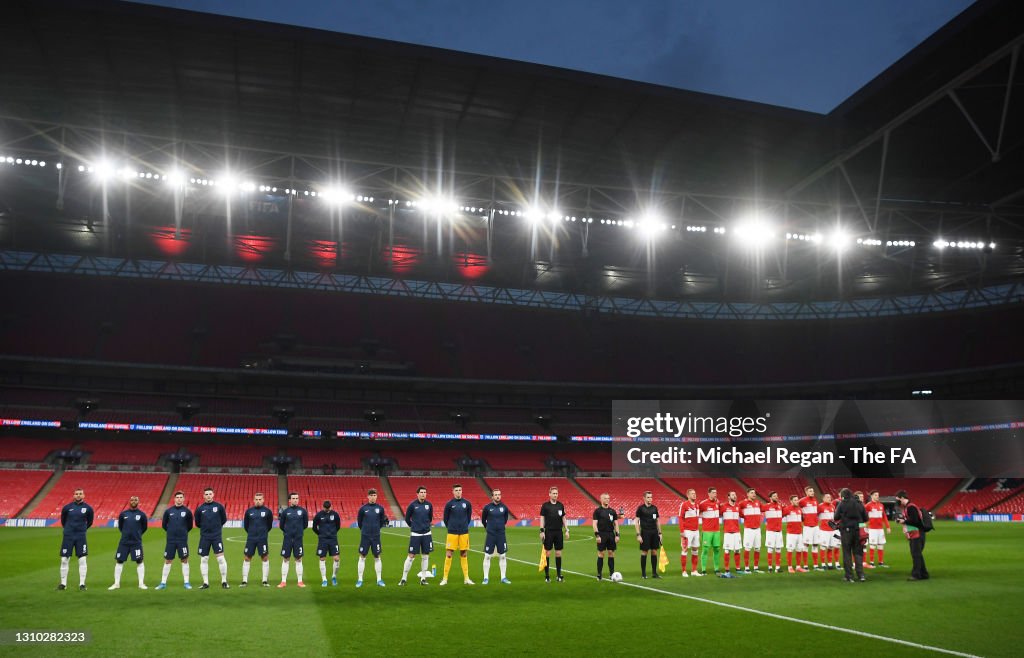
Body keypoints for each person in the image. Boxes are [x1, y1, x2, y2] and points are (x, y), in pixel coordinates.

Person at [58, 487, 94, 591]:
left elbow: (90, 522)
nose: (78, 495)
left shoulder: (88, 508)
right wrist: (69, 530)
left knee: (82, 559)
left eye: (80, 493)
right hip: (68, 536)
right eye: (76, 493)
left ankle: (82, 584)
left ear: (84, 495)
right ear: (74, 495)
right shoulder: (67, 508)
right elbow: (63, 521)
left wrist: (81, 530)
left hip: (80, 537)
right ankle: (63, 584)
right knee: (64, 559)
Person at [194, 487, 229, 589]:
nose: (208, 496)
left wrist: (215, 529)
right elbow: (198, 523)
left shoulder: (219, 507)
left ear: (213, 494)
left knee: (221, 559)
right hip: (204, 537)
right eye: (206, 494)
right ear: (203, 496)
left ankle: (224, 581)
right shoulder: (200, 509)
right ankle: (205, 582)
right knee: (204, 559)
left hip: (216, 537)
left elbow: (223, 519)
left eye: (210, 494)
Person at [110, 495, 147, 590]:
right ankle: (116, 583)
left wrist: (137, 534)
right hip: (124, 542)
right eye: (132, 500)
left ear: (138, 502)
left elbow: (144, 527)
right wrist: (126, 534)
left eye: (135, 500)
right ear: (129, 501)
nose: (133, 501)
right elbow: (121, 527)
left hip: (136, 542)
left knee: (139, 561)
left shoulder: (142, 515)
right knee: (119, 561)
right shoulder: (123, 514)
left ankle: (141, 583)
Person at [159, 491, 193, 590]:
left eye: (181, 497)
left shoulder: (187, 511)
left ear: (183, 499)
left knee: (184, 560)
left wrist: (182, 532)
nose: (179, 499)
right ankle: (163, 583)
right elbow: (164, 525)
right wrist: (171, 532)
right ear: (174, 499)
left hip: (182, 540)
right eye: (177, 497)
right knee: (168, 560)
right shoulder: (168, 511)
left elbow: (189, 526)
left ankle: (186, 582)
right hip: (171, 540)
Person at [400, 486, 433, 586]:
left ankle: (423, 578)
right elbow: (407, 518)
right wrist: (413, 526)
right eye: (421, 492)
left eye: (424, 492)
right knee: (411, 556)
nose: (423, 494)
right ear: (417, 494)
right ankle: (404, 578)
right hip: (415, 534)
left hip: (427, 534)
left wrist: (425, 526)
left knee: (425, 556)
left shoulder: (429, 505)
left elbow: (430, 518)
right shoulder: (412, 505)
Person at [441, 484, 474, 585]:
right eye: (456, 490)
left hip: (464, 532)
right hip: (452, 532)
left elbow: (468, 517)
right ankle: (445, 578)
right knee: (449, 554)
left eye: (460, 490)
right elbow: (445, 518)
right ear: (453, 492)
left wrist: (463, 526)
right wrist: (451, 526)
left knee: (464, 554)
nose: (458, 492)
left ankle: (466, 578)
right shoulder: (449, 504)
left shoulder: (467, 503)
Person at [833, 488, 868, 582]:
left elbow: (835, 517)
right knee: (858, 553)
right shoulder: (859, 503)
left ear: (843, 496)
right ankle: (861, 575)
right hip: (858, 531)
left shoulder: (842, 503)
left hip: (846, 531)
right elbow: (866, 518)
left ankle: (849, 576)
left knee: (847, 553)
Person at [356, 488, 389, 587]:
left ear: (376, 496)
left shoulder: (380, 508)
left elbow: (382, 521)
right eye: (371, 495)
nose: (373, 497)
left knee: (377, 557)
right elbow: (359, 522)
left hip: (376, 537)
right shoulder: (363, 509)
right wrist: (365, 530)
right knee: (362, 556)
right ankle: (360, 579)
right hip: (365, 536)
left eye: (374, 495)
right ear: (368, 496)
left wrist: (376, 529)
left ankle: (379, 579)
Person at [895, 490, 929, 581]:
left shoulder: (910, 507)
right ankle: (924, 573)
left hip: (917, 534)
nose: (897, 501)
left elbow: (915, 521)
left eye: (897, 499)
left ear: (902, 498)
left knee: (916, 554)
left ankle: (916, 575)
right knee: (918, 554)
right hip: (916, 533)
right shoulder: (909, 507)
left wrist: (904, 521)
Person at [241, 492, 273, 587]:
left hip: (262, 539)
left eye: (260, 499)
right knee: (247, 558)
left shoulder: (268, 511)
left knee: (265, 558)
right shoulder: (249, 511)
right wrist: (252, 532)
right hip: (251, 538)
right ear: (254, 500)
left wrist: (262, 533)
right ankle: (244, 580)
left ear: (263, 500)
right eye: (256, 499)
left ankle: (264, 580)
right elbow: (246, 525)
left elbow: (269, 525)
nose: (258, 501)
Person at [278, 492, 309, 588]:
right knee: (286, 559)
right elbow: (281, 525)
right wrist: (288, 532)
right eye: (293, 498)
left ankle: (300, 581)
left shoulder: (303, 511)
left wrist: (298, 532)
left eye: (297, 498)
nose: (296, 500)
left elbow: (305, 525)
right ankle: (283, 581)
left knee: (299, 559)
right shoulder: (285, 512)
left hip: (298, 539)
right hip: (287, 538)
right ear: (290, 500)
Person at [481, 489, 511, 584]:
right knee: (487, 556)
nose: (498, 496)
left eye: (499, 494)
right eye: (496, 495)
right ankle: (486, 578)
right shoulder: (487, 508)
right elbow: (483, 520)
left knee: (502, 556)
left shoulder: (504, 508)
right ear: (492, 497)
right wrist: (489, 528)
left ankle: (503, 577)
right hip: (491, 535)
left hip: (501, 535)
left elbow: (505, 520)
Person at [540, 486, 569, 582]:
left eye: (556, 493)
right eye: (553, 493)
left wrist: (567, 530)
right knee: (547, 553)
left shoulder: (561, 505)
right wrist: (541, 531)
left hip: (558, 532)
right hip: (548, 531)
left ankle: (558, 575)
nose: (555, 495)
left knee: (558, 553)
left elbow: (563, 518)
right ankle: (547, 576)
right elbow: (542, 518)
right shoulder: (545, 506)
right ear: (549, 494)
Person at [312, 500, 341, 587]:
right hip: (323, 540)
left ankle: (334, 577)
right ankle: (324, 579)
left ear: (331, 506)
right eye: (326, 509)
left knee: (336, 558)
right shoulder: (319, 515)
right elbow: (314, 527)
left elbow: (338, 526)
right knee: (322, 558)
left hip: (333, 539)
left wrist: (332, 534)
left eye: (329, 508)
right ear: (323, 507)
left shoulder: (335, 514)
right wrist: (320, 534)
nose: (328, 510)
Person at [634, 491, 662, 579]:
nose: (650, 499)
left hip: (654, 532)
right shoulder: (640, 508)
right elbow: (636, 521)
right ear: (644, 498)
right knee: (644, 552)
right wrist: (638, 534)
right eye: (648, 497)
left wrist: (660, 533)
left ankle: (654, 573)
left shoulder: (654, 508)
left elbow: (657, 521)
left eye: (651, 497)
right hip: (645, 532)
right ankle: (643, 574)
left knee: (654, 551)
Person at [593, 493, 620, 581]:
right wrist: (597, 535)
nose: (607, 500)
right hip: (601, 534)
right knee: (601, 554)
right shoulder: (597, 511)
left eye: (608, 498)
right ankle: (599, 574)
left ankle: (611, 574)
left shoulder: (612, 511)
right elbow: (594, 524)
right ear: (601, 499)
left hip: (611, 534)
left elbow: (616, 524)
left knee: (611, 553)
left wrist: (617, 535)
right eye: (605, 498)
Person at [697, 487, 722, 576]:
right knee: (705, 550)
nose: (715, 494)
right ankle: (703, 569)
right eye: (713, 493)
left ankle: (716, 569)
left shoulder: (718, 502)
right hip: (707, 531)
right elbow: (696, 514)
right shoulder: (703, 504)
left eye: (716, 492)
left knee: (717, 549)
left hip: (716, 531)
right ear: (709, 494)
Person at [739, 488, 763, 573]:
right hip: (748, 529)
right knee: (747, 548)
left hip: (757, 529)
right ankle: (746, 568)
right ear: (747, 494)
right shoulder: (743, 503)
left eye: (754, 493)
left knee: (757, 548)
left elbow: (763, 509)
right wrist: (743, 516)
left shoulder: (758, 502)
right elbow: (737, 509)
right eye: (752, 493)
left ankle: (756, 567)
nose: (754, 494)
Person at [865, 490, 891, 568]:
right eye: (876, 495)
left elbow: (884, 517)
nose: (877, 496)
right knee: (872, 545)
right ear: (871, 496)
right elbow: (863, 515)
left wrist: (888, 527)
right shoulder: (868, 505)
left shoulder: (881, 505)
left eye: (878, 495)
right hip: (872, 529)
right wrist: (864, 525)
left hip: (880, 529)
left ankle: (881, 562)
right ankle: (872, 562)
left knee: (881, 545)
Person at [678, 488, 700, 577]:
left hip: (696, 531)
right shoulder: (684, 505)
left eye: (695, 493)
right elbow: (680, 517)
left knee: (695, 550)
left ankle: (694, 570)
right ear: (688, 495)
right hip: (687, 531)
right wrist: (682, 531)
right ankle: (684, 571)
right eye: (692, 494)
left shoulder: (697, 505)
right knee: (685, 550)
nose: (694, 495)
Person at [782, 494, 807, 573]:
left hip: (799, 533)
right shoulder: (787, 509)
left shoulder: (799, 509)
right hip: (791, 533)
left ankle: (798, 567)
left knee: (799, 550)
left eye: (797, 500)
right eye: (795, 500)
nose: (797, 501)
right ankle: (790, 567)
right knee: (790, 550)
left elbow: (802, 519)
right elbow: (780, 516)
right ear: (791, 501)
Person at [798, 486, 820, 570]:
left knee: (815, 545)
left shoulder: (815, 500)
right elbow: (795, 507)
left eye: (813, 491)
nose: (812, 492)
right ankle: (806, 565)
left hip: (816, 526)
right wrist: (801, 517)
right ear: (806, 492)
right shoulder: (802, 501)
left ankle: (815, 566)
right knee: (806, 545)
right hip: (807, 527)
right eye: (810, 491)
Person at [720, 491, 742, 576]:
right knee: (727, 551)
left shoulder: (737, 506)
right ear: (728, 497)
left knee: (737, 550)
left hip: (737, 532)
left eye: (735, 494)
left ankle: (738, 568)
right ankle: (727, 570)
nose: (735, 496)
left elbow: (742, 515)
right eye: (733, 495)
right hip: (728, 532)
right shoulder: (724, 506)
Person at [762, 491, 784, 573]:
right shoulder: (766, 506)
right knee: (770, 549)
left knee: (778, 549)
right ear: (770, 498)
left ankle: (777, 568)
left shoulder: (780, 506)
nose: (776, 497)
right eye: (774, 496)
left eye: (777, 496)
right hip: (770, 531)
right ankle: (770, 567)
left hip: (779, 531)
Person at [816, 493, 839, 570]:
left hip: (832, 530)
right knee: (823, 547)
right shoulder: (820, 506)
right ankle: (822, 564)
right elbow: (816, 517)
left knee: (830, 547)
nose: (829, 498)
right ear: (823, 499)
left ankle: (829, 564)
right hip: (824, 530)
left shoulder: (833, 506)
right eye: (827, 497)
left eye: (830, 497)